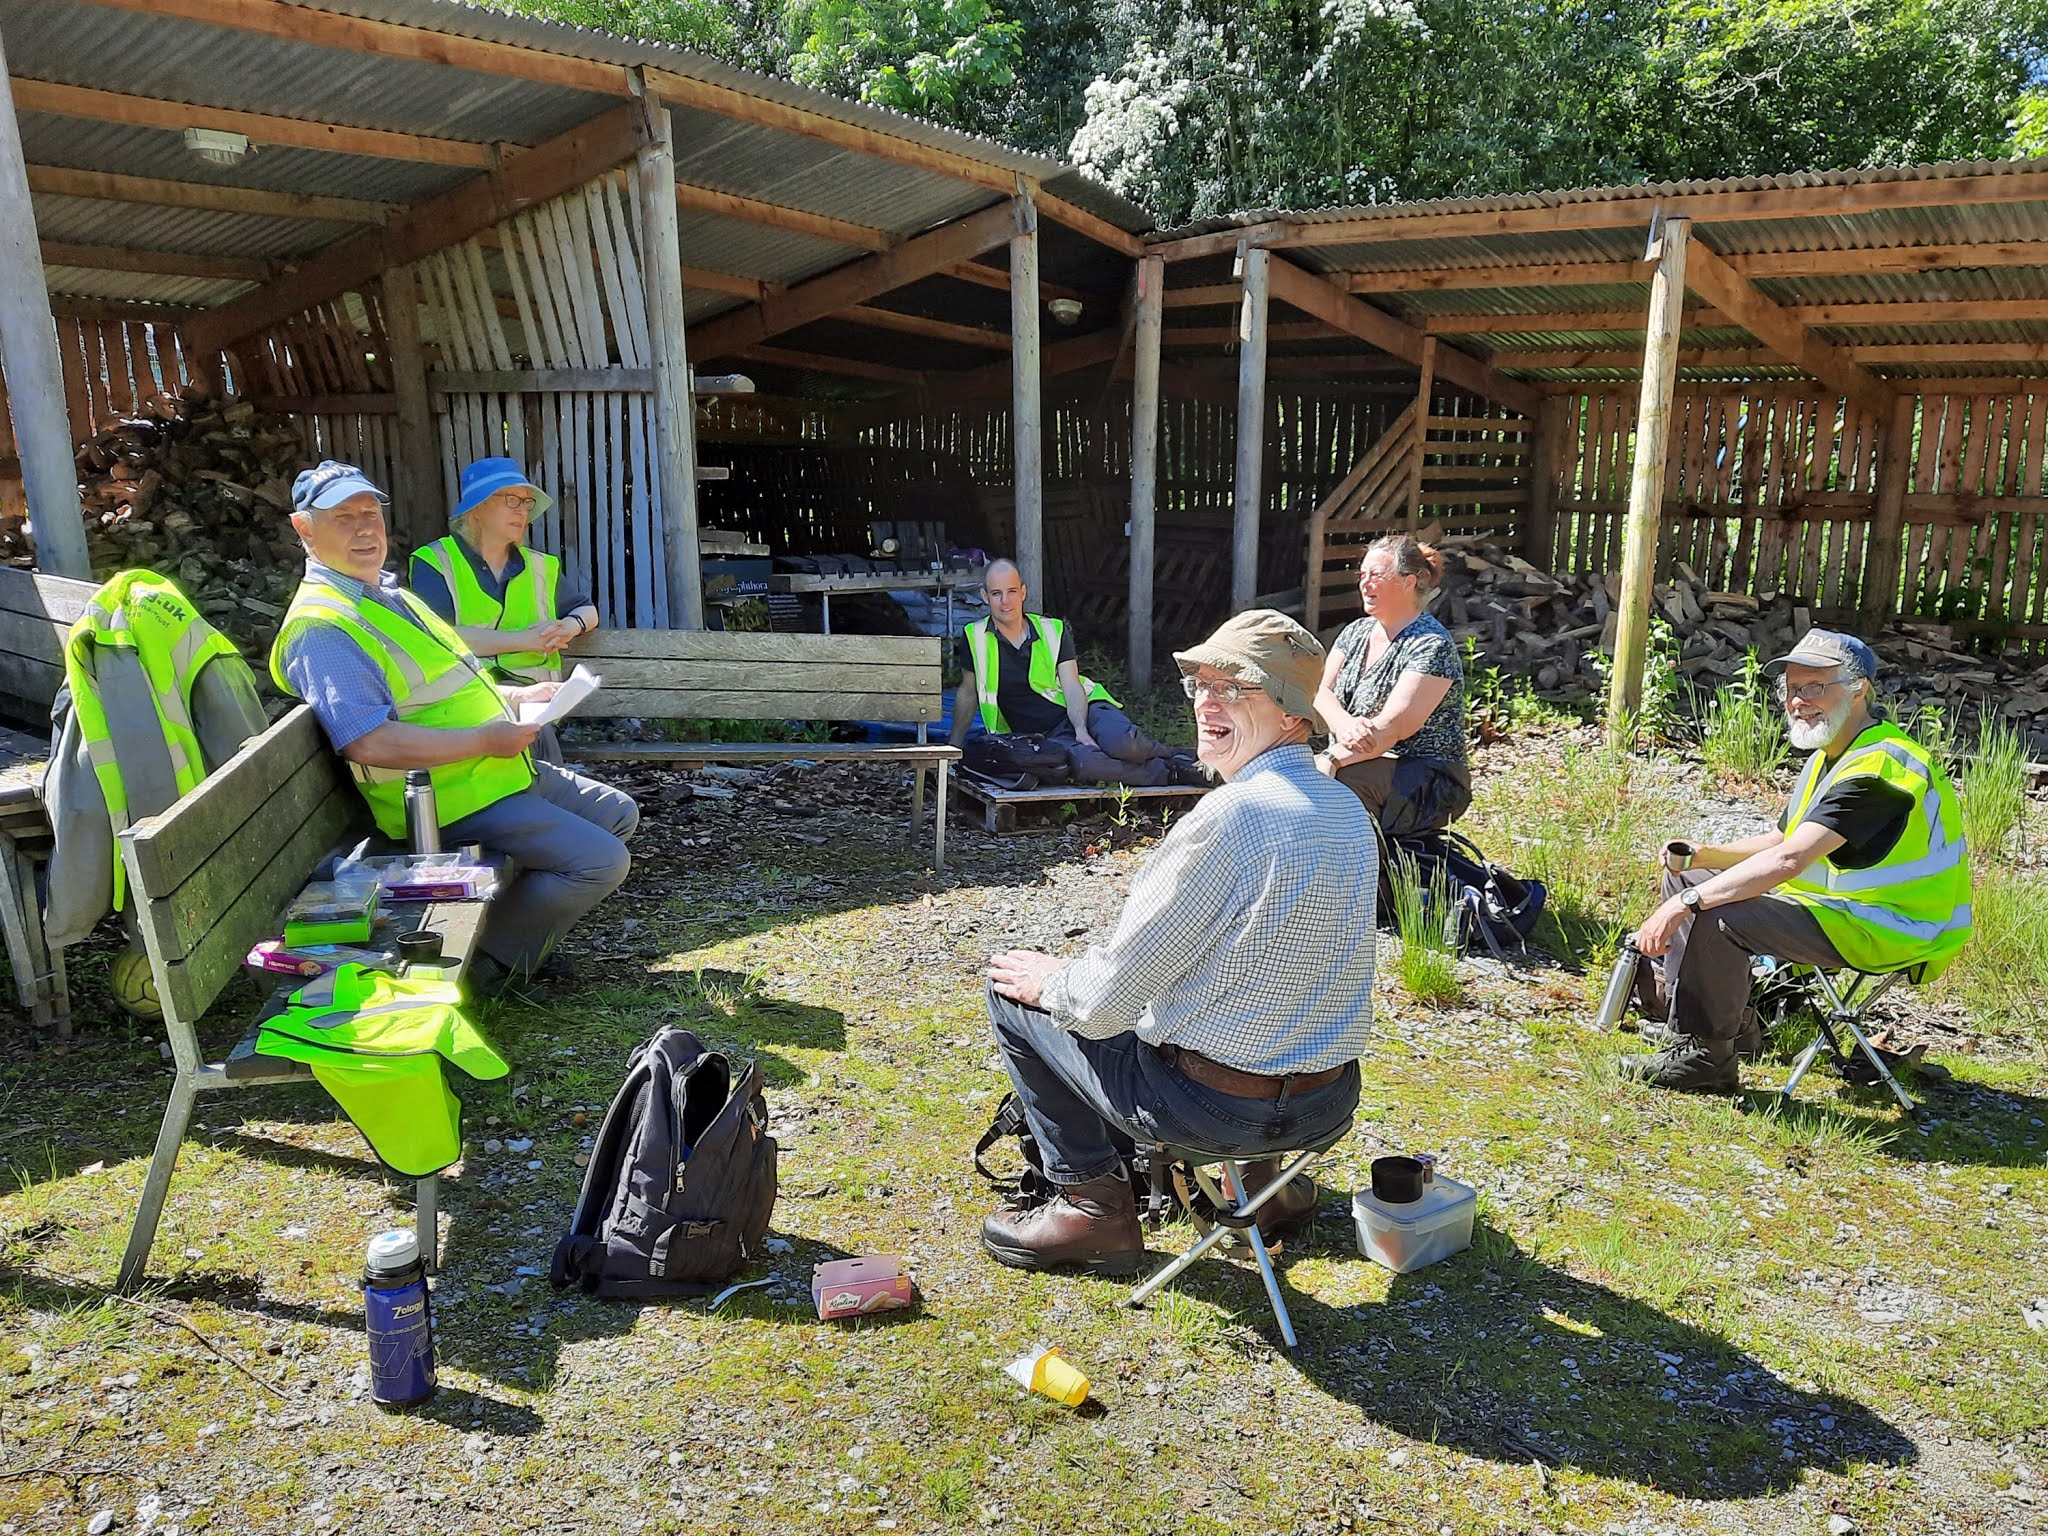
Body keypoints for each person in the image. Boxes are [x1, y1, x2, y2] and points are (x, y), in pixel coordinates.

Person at [978, 610, 1377, 1274]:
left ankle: (1092, 1209)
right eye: (1201, 685)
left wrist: (1051, 981)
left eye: (1233, 689)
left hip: (1214, 1113)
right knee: (1260, 1002)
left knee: (1012, 993)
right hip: (1327, 1104)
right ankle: (1261, 1189)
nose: (1206, 703)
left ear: (1292, 715)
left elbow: (1103, 1005)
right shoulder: (1347, 809)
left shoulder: (1230, 817)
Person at [271, 460, 639, 985]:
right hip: (443, 799)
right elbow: (370, 744)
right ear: (304, 529)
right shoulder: (324, 627)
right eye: (343, 518)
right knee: (602, 861)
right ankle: (484, 967)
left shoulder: (389, 595)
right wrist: (486, 739)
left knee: (618, 813)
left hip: (492, 774)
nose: (363, 530)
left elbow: (448, 685)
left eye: (370, 514)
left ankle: (518, 936)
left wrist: (518, 696)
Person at [1619, 629, 1973, 1093]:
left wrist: (1685, 903)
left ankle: (1705, 1058)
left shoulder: (1882, 768)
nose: (1798, 701)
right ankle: (1728, 1029)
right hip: (1840, 912)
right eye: (1791, 689)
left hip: (1893, 926)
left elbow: (1790, 858)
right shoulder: (1833, 754)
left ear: (1859, 689)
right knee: (1693, 876)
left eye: (1814, 687)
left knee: (1718, 910)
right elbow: (1781, 839)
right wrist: (1703, 857)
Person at [949, 558, 1201, 789]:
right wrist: (953, 749)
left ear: (1023, 592)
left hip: (1087, 708)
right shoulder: (974, 637)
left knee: (1123, 744)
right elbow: (968, 694)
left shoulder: (1053, 630)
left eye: (1012, 591)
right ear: (985, 596)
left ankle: (1173, 755)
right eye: (997, 593)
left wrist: (1081, 729)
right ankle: (1173, 772)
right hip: (1045, 736)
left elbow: (1071, 685)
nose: (1005, 601)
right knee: (1087, 765)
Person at [1313, 534, 1471, 836]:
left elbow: (1394, 727)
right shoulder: (1355, 632)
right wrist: (1345, 726)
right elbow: (1321, 692)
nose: (1365, 583)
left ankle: (1367, 862)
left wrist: (1331, 758)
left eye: (1376, 575)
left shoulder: (1431, 644)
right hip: (1359, 754)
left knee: (1339, 784)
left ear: (1408, 582)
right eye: (1362, 575)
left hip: (1428, 778)